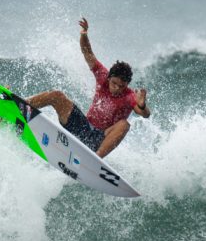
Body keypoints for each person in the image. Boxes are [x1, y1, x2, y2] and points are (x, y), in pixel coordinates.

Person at [26, 18, 150, 158]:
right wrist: (84, 34)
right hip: (82, 128)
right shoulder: (102, 76)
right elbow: (87, 53)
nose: (117, 88)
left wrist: (142, 104)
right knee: (57, 95)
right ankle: (20, 105)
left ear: (126, 85)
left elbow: (145, 114)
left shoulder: (129, 96)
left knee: (124, 125)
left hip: (99, 139)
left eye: (121, 86)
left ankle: (96, 159)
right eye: (114, 83)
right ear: (109, 77)